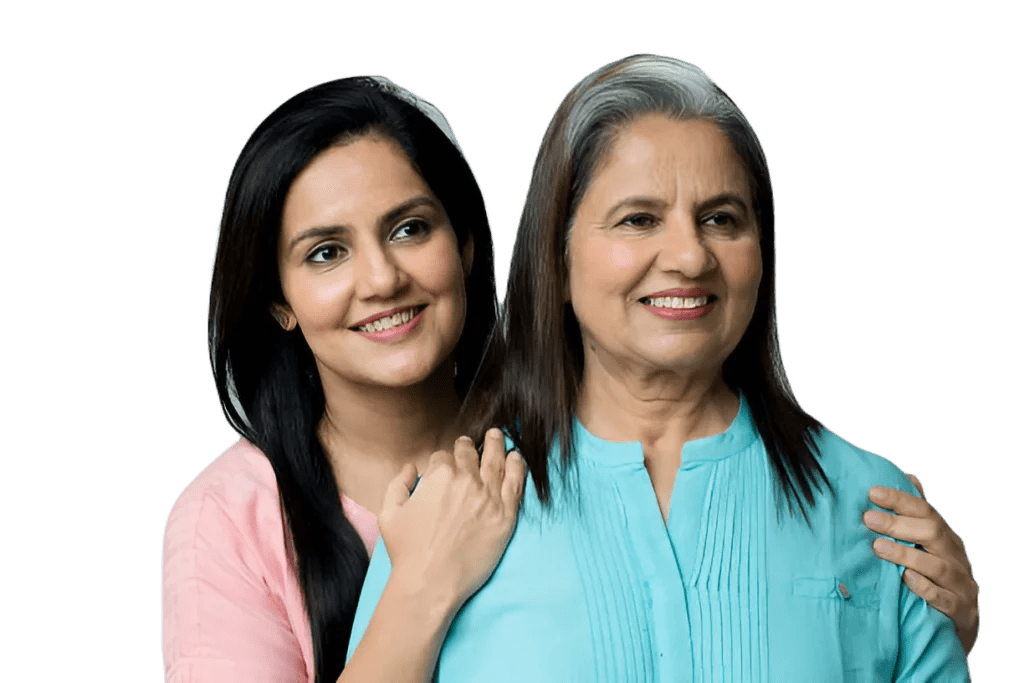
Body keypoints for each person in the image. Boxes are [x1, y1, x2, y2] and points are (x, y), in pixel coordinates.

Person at [348, 55, 975, 680]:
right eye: (639, 220)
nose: (689, 256)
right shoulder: (450, 509)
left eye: (721, 220)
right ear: (557, 260)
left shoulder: (871, 505)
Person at [160, 76, 526, 683]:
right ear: (279, 302)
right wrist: (423, 585)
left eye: (410, 229)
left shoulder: (569, 446)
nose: (382, 279)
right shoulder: (225, 520)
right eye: (326, 252)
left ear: (464, 245)